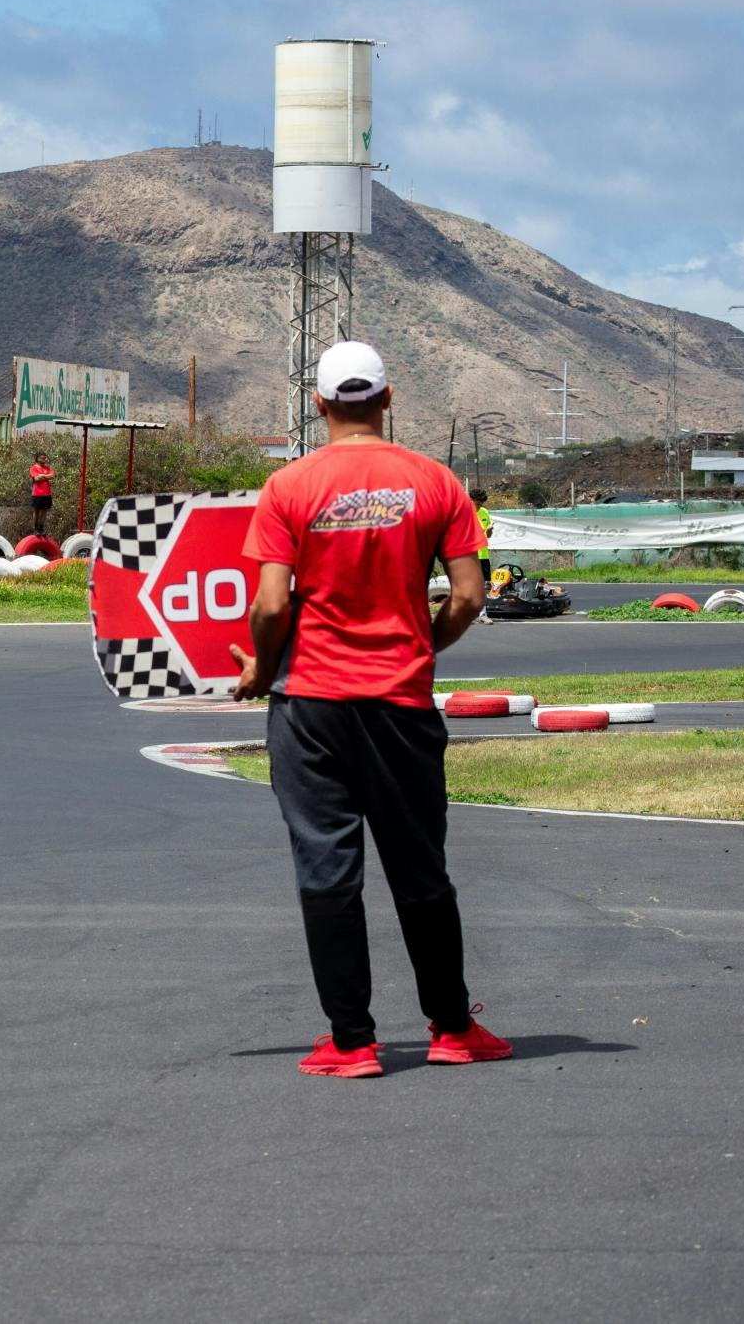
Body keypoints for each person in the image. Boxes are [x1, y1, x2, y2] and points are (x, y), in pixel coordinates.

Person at [229, 340, 512, 1079]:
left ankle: (351, 1041)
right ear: (388, 400)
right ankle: (452, 1026)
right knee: (420, 868)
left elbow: (269, 601)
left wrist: (261, 664)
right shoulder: (437, 482)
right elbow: (472, 596)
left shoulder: (288, 486)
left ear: (319, 405)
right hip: (400, 703)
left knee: (328, 868)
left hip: (311, 705)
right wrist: (422, 643)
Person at [471, 489, 495, 624]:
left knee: (483, 586)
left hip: (483, 554)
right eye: (477, 504)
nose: (479, 506)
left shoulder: (485, 512)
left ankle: (482, 614)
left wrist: (490, 531)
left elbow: (488, 535)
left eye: (481, 504)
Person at [29, 458, 54, 537]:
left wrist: (42, 475)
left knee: (44, 511)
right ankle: (36, 528)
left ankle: (41, 528)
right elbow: (36, 479)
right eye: (42, 457)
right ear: (37, 458)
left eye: (45, 457)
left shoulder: (48, 468)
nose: (44, 459)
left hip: (47, 494)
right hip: (37, 493)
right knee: (36, 511)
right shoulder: (33, 468)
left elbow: (52, 476)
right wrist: (46, 476)